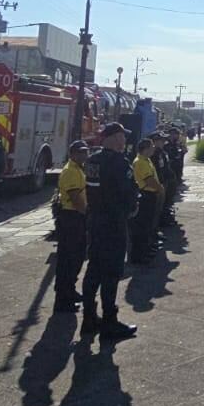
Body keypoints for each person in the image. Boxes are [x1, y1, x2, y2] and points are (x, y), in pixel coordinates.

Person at [81, 123, 138, 340]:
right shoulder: (118, 162)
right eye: (123, 137)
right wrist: (132, 208)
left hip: (95, 221)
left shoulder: (93, 160)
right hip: (114, 223)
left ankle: (88, 318)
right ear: (114, 137)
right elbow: (129, 191)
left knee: (93, 270)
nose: (125, 141)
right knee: (112, 273)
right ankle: (109, 321)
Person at [53, 141, 90, 311]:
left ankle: (70, 289)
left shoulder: (78, 169)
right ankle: (63, 297)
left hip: (75, 216)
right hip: (71, 217)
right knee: (69, 258)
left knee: (76, 256)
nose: (84, 155)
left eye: (86, 152)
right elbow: (75, 198)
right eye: (80, 152)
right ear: (72, 154)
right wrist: (86, 215)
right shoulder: (70, 171)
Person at [129, 136, 165, 265]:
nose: (153, 149)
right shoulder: (140, 162)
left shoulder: (146, 160)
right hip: (145, 195)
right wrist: (160, 189)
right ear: (145, 149)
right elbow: (149, 179)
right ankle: (139, 255)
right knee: (142, 227)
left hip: (150, 194)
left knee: (148, 225)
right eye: (151, 147)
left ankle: (145, 249)